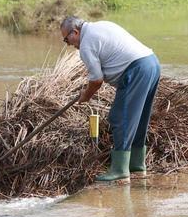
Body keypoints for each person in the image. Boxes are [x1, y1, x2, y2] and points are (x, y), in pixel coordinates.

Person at [59, 16, 160, 182]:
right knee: (139, 119)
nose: (68, 44)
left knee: (119, 117)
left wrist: (86, 95)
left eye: (66, 39)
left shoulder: (86, 45)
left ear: (75, 32)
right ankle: (136, 166)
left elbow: (96, 80)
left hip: (136, 70)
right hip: (152, 63)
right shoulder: (102, 25)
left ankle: (120, 170)